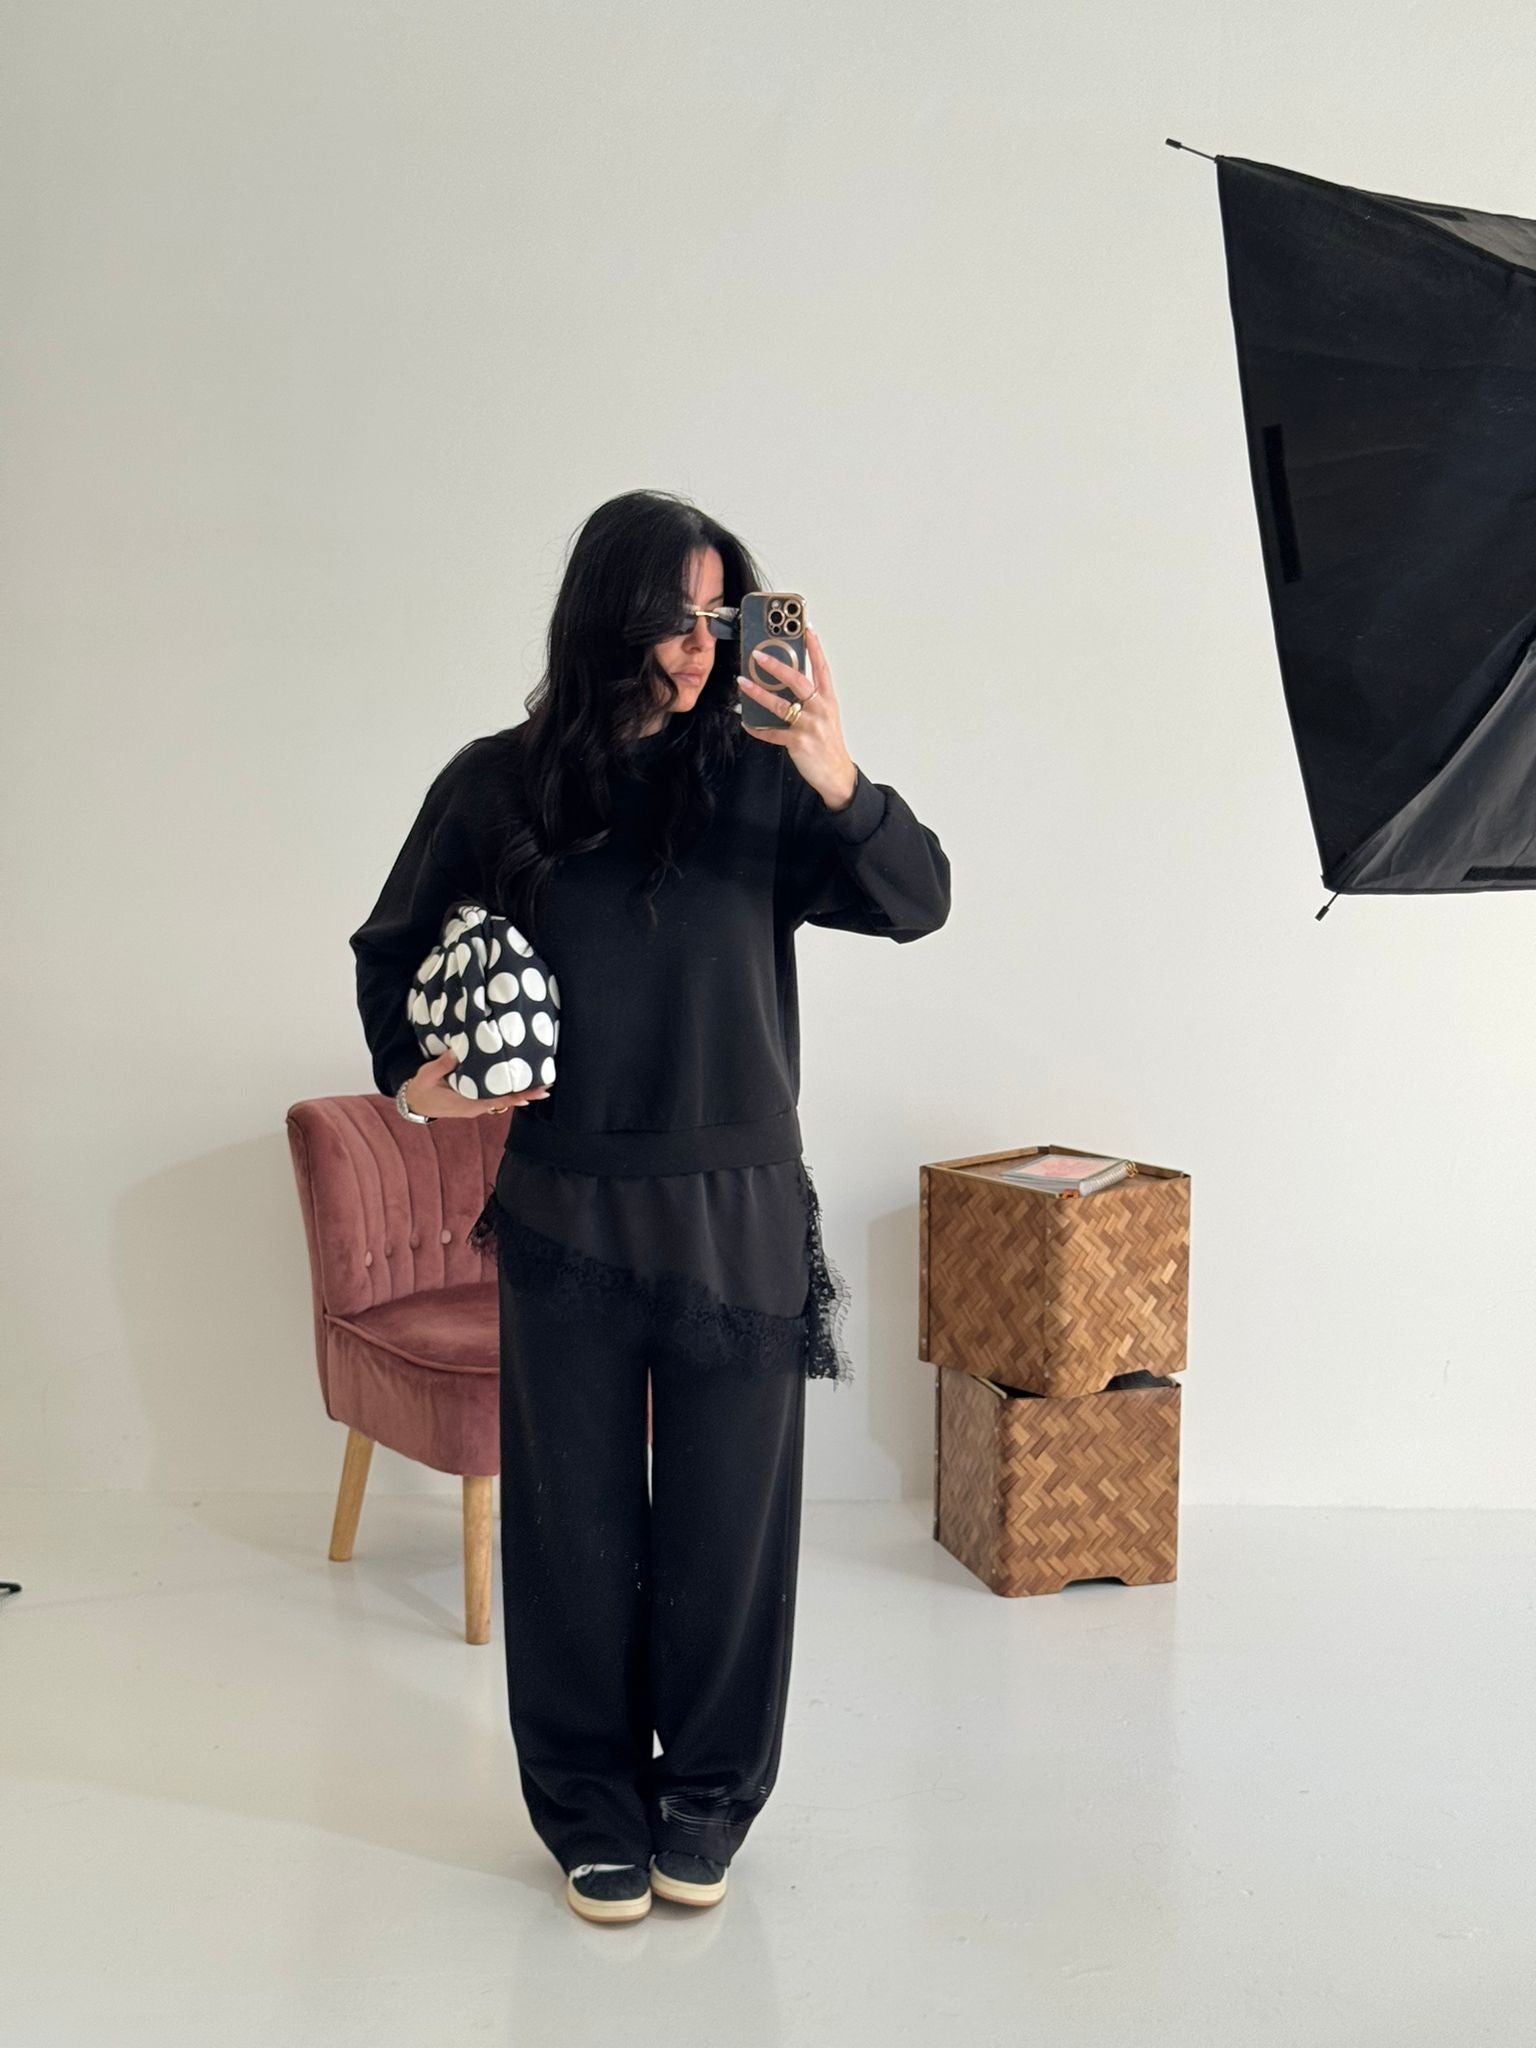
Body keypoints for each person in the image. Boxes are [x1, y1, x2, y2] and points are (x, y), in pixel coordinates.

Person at [348, 488, 951, 1923]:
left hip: (738, 1204)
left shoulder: (761, 775)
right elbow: (391, 954)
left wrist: (837, 772)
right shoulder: (498, 786)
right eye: (674, 616)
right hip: (566, 1208)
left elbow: (919, 899)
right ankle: (586, 1803)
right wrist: (422, 1088)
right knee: (573, 1528)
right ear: (606, 617)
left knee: (729, 1529)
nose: (698, 646)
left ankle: (710, 1796)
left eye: (720, 615)